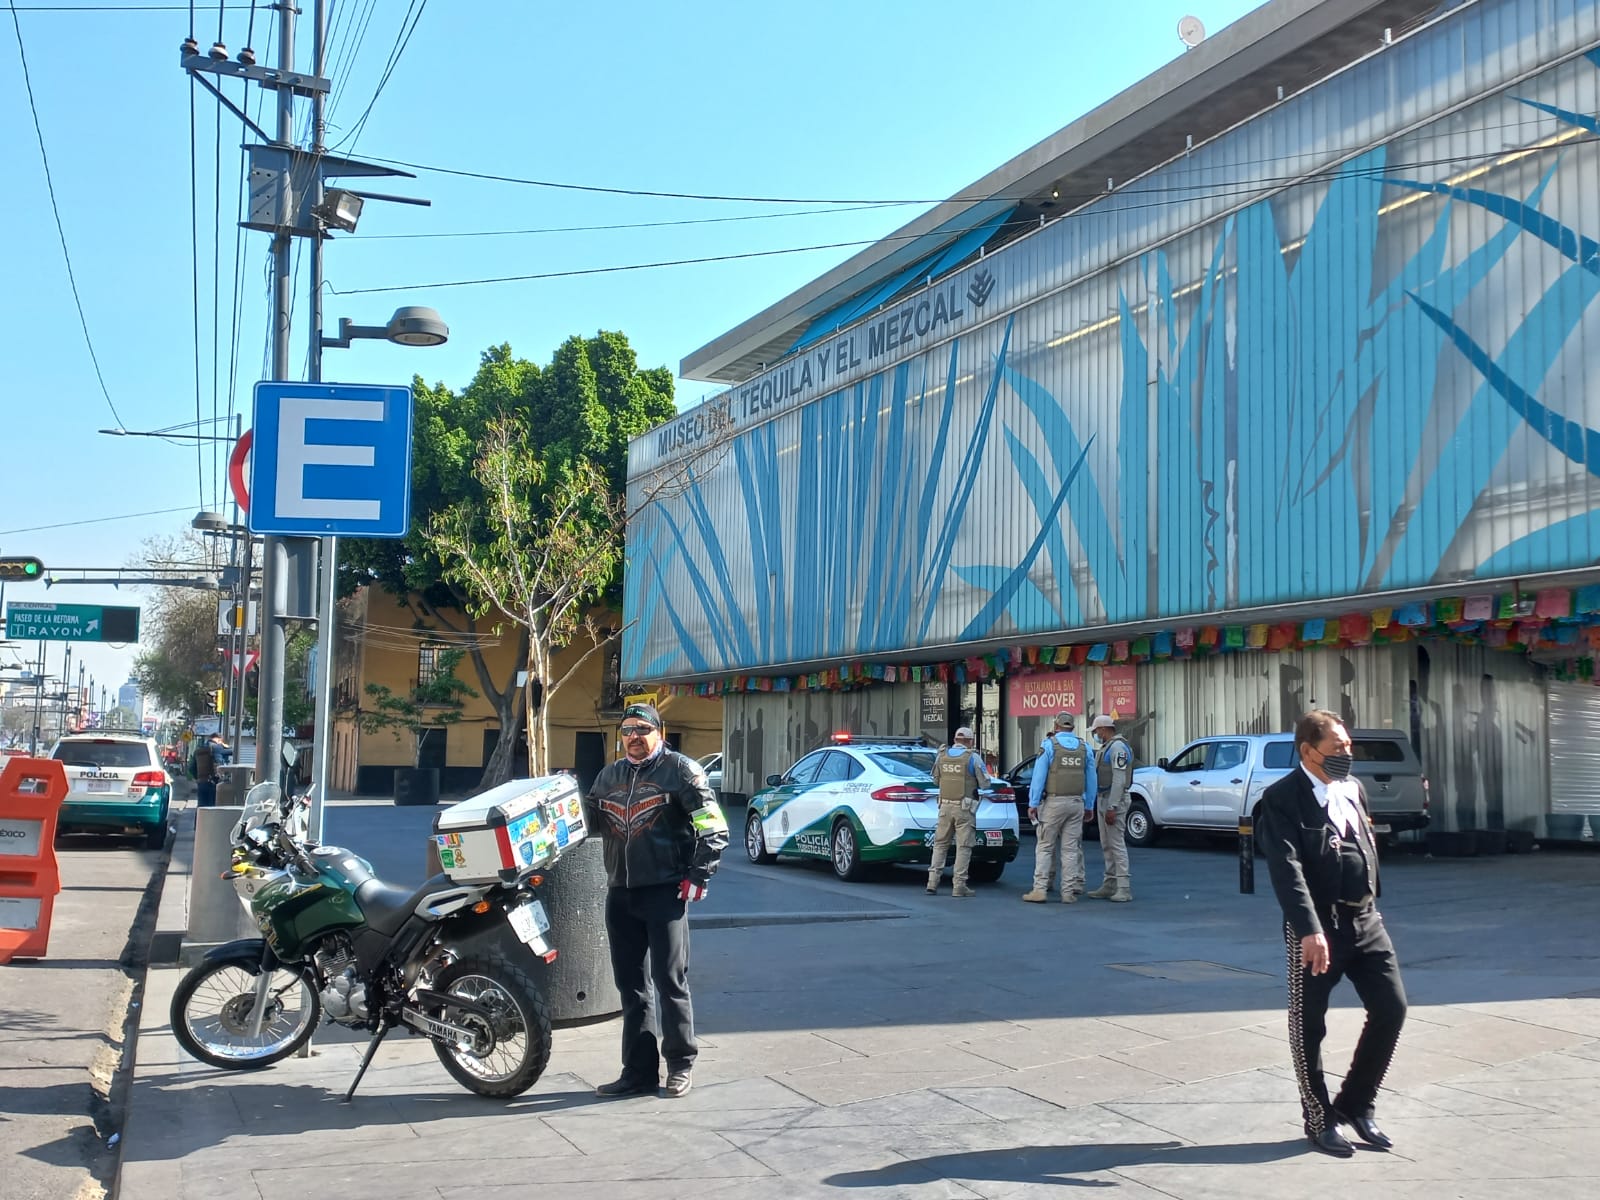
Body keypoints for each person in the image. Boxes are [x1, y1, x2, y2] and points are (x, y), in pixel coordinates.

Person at [1259, 709, 1408, 1158]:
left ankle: (1357, 1103)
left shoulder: (1353, 789)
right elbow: (1287, 870)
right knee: (1309, 1025)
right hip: (1318, 929)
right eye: (1337, 747)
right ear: (1307, 751)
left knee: (1392, 1008)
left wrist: (1371, 903)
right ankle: (1319, 1118)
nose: (1347, 754)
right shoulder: (1282, 798)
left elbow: (1363, 845)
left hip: (1365, 920)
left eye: (1348, 746)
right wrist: (1309, 929)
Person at [585, 703, 728, 1099]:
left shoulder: (681, 770)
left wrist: (700, 874)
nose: (634, 736)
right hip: (620, 893)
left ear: (659, 732)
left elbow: (713, 826)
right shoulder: (608, 775)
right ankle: (638, 1072)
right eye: (627, 729)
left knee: (670, 981)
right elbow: (591, 822)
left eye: (642, 728)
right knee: (630, 987)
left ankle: (681, 1065)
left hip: (665, 890)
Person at [1022, 712, 1097, 903]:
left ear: (1056, 726)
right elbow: (1091, 779)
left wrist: (1033, 803)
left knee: (1045, 847)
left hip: (1054, 803)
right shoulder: (1085, 747)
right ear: (1072, 727)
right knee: (1071, 849)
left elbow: (1038, 777)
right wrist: (1089, 805)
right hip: (1076, 803)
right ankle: (1068, 892)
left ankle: (1040, 890)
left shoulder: (1049, 746)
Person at [926, 726, 991, 897]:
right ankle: (959, 886)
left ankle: (932, 882)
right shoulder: (973, 757)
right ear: (970, 741)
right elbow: (985, 783)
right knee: (964, 846)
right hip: (964, 808)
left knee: (940, 844)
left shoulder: (942, 755)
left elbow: (935, 780)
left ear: (955, 740)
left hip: (944, 807)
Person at [1087, 714, 1134, 902]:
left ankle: (1123, 887)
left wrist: (1113, 806)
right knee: (1107, 844)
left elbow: (1119, 779)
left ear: (1104, 729)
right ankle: (1110, 883)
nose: (1096, 734)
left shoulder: (1118, 748)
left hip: (1114, 800)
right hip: (1103, 798)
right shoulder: (1108, 747)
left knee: (1116, 844)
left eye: (1096, 731)